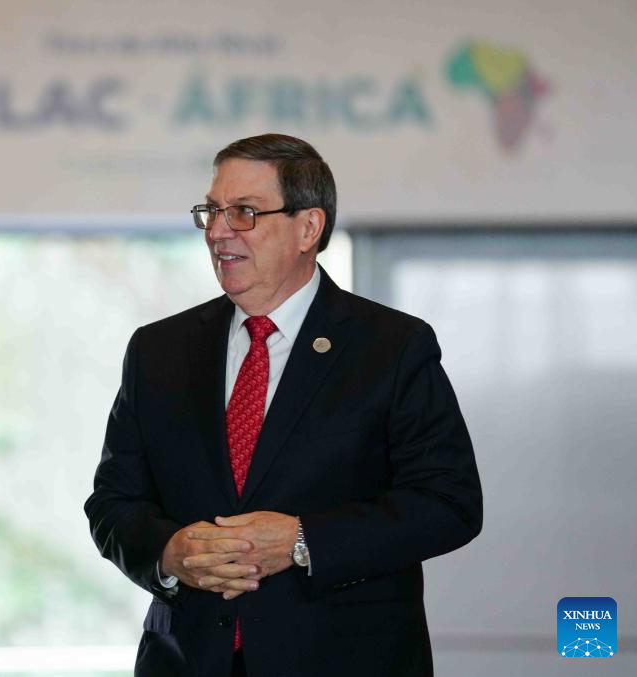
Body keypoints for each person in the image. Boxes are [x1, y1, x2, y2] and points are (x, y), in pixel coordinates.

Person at [84, 133, 482, 677]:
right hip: (187, 661)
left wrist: (302, 540)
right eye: (212, 211)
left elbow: (449, 503)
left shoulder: (391, 347)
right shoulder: (159, 350)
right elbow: (113, 503)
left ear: (308, 227)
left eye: (244, 212)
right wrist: (170, 553)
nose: (218, 231)